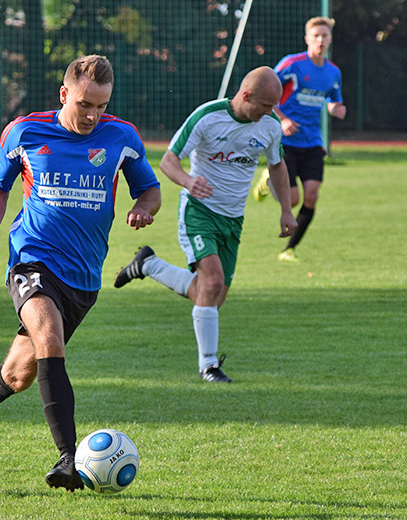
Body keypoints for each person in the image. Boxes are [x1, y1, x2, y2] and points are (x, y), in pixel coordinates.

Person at [0, 55, 161, 492]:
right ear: (64, 94)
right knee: (49, 337)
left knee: (16, 375)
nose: (92, 115)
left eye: (101, 106)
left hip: (83, 278)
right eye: (85, 103)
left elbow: (150, 189)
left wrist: (144, 208)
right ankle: (68, 457)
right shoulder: (26, 131)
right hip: (32, 260)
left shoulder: (121, 137)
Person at [113, 66, 296, 383]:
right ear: (246, 95)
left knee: (210, 295)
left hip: (233, 219)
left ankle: (149, 264)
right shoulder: (207, 116)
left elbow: (277, 167)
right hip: (199, 212)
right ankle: (209, 366)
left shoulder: (269, 127)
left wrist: (286, 210)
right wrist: (187, 182)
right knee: (211, 285)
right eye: (266, 105)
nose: (270, 112)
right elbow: (169, 159)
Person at [253, 16, 346, 263]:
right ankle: (267, 181)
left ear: (330, 39)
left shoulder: (333, 72)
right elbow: (265, 90)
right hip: (287, 141)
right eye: (316, 35)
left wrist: (335, 108)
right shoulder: (292, 64)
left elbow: (330, 98)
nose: (320, 40)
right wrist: (282, 119)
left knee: (312, 195)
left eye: (325, 36)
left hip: (313, 141)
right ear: (307, 39)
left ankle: (289, 249)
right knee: (292, 200)